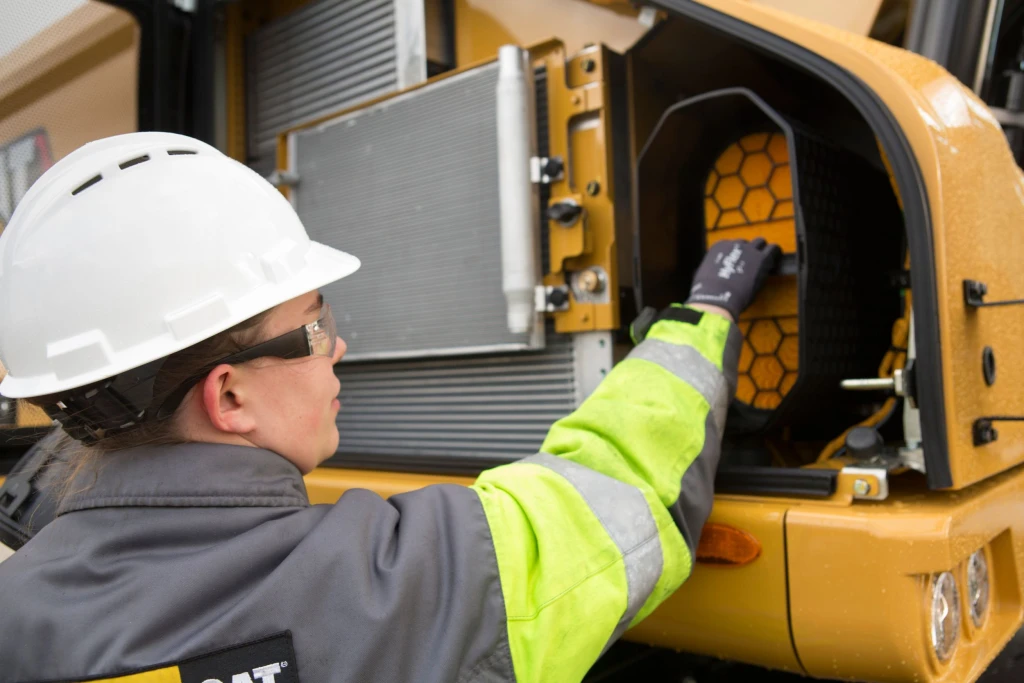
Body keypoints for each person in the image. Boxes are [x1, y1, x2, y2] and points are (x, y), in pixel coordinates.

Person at [0, 132, 779, 682]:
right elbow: (626, 496)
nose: (336, 348)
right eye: (314, 326)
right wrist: (702, 311)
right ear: (228, 394)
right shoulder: (406, 587)